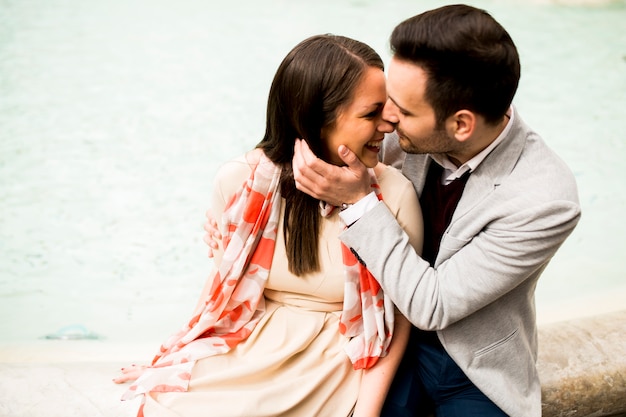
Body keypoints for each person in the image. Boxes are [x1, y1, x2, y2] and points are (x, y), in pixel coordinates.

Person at [285, 5, 583, 417]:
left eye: (403, 110)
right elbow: (320, 150)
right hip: (385, 339)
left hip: (474, 369)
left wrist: (359, 203)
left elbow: (433, 304)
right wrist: (247, 200)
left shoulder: (545, 201)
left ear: (461, 125)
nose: (386, 120)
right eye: (387, 99)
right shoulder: (406, 133)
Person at [115, 34, 424, 417]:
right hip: (255, 338)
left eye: (386, 110)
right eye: (370, 114)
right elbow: (221, 293)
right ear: (317, 118)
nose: (387, 126)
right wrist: (178, 353)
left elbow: (395, 324)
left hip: (339, 354)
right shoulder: (241, 182)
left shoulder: (392, 195)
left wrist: (367, 411)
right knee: (165, 404)